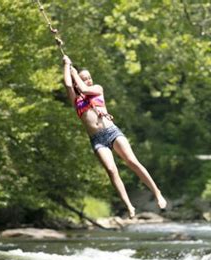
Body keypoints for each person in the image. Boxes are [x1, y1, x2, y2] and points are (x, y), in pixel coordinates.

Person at [62, 55, 167, 218]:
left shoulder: (97, 89)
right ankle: (129, 206)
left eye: (89, 77)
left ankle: (157, 192)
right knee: (111, 170)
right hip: (97, 140)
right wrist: (66, 66)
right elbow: (69, 85)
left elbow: (84, 88)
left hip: (112, 132)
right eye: (85, 78)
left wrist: (75, 73)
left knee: (132, 161)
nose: (89, 80)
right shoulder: (76, 100)